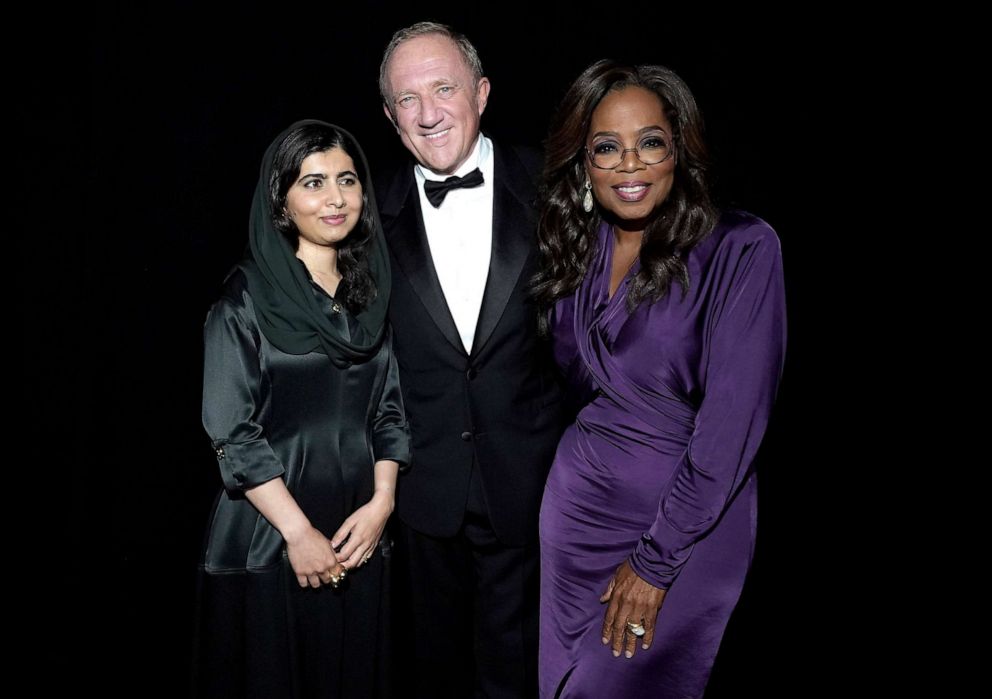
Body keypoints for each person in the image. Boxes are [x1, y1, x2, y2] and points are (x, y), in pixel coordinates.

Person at [532, 60, 787, 697]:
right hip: (575, 528)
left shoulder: (740, 249)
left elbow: (732, 429)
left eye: (650, 142)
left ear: (679, 149)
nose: (630, 165)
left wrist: (654, 562)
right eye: (606, 148)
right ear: (583, 164)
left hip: (685, 533)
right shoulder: (576, 248)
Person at [376, 22, 564, 699]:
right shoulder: (365, 212)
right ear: (390, 116)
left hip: (535, 488)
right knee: (432, 676)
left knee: (522, 676)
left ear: (481, 93)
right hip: (423, 496)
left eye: (444, 88)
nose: (427, 114)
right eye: (406, 99)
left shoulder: (557, 185)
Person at [193, 119, 410, 699]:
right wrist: (298, 533)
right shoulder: (243, 297)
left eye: (347, 180)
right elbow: (231, 433)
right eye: (313, 183)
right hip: (271, 535)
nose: (336, 198)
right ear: (281, 199)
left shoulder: (370, 294)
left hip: (359, 532)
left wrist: (382, 505)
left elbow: (388, 413)